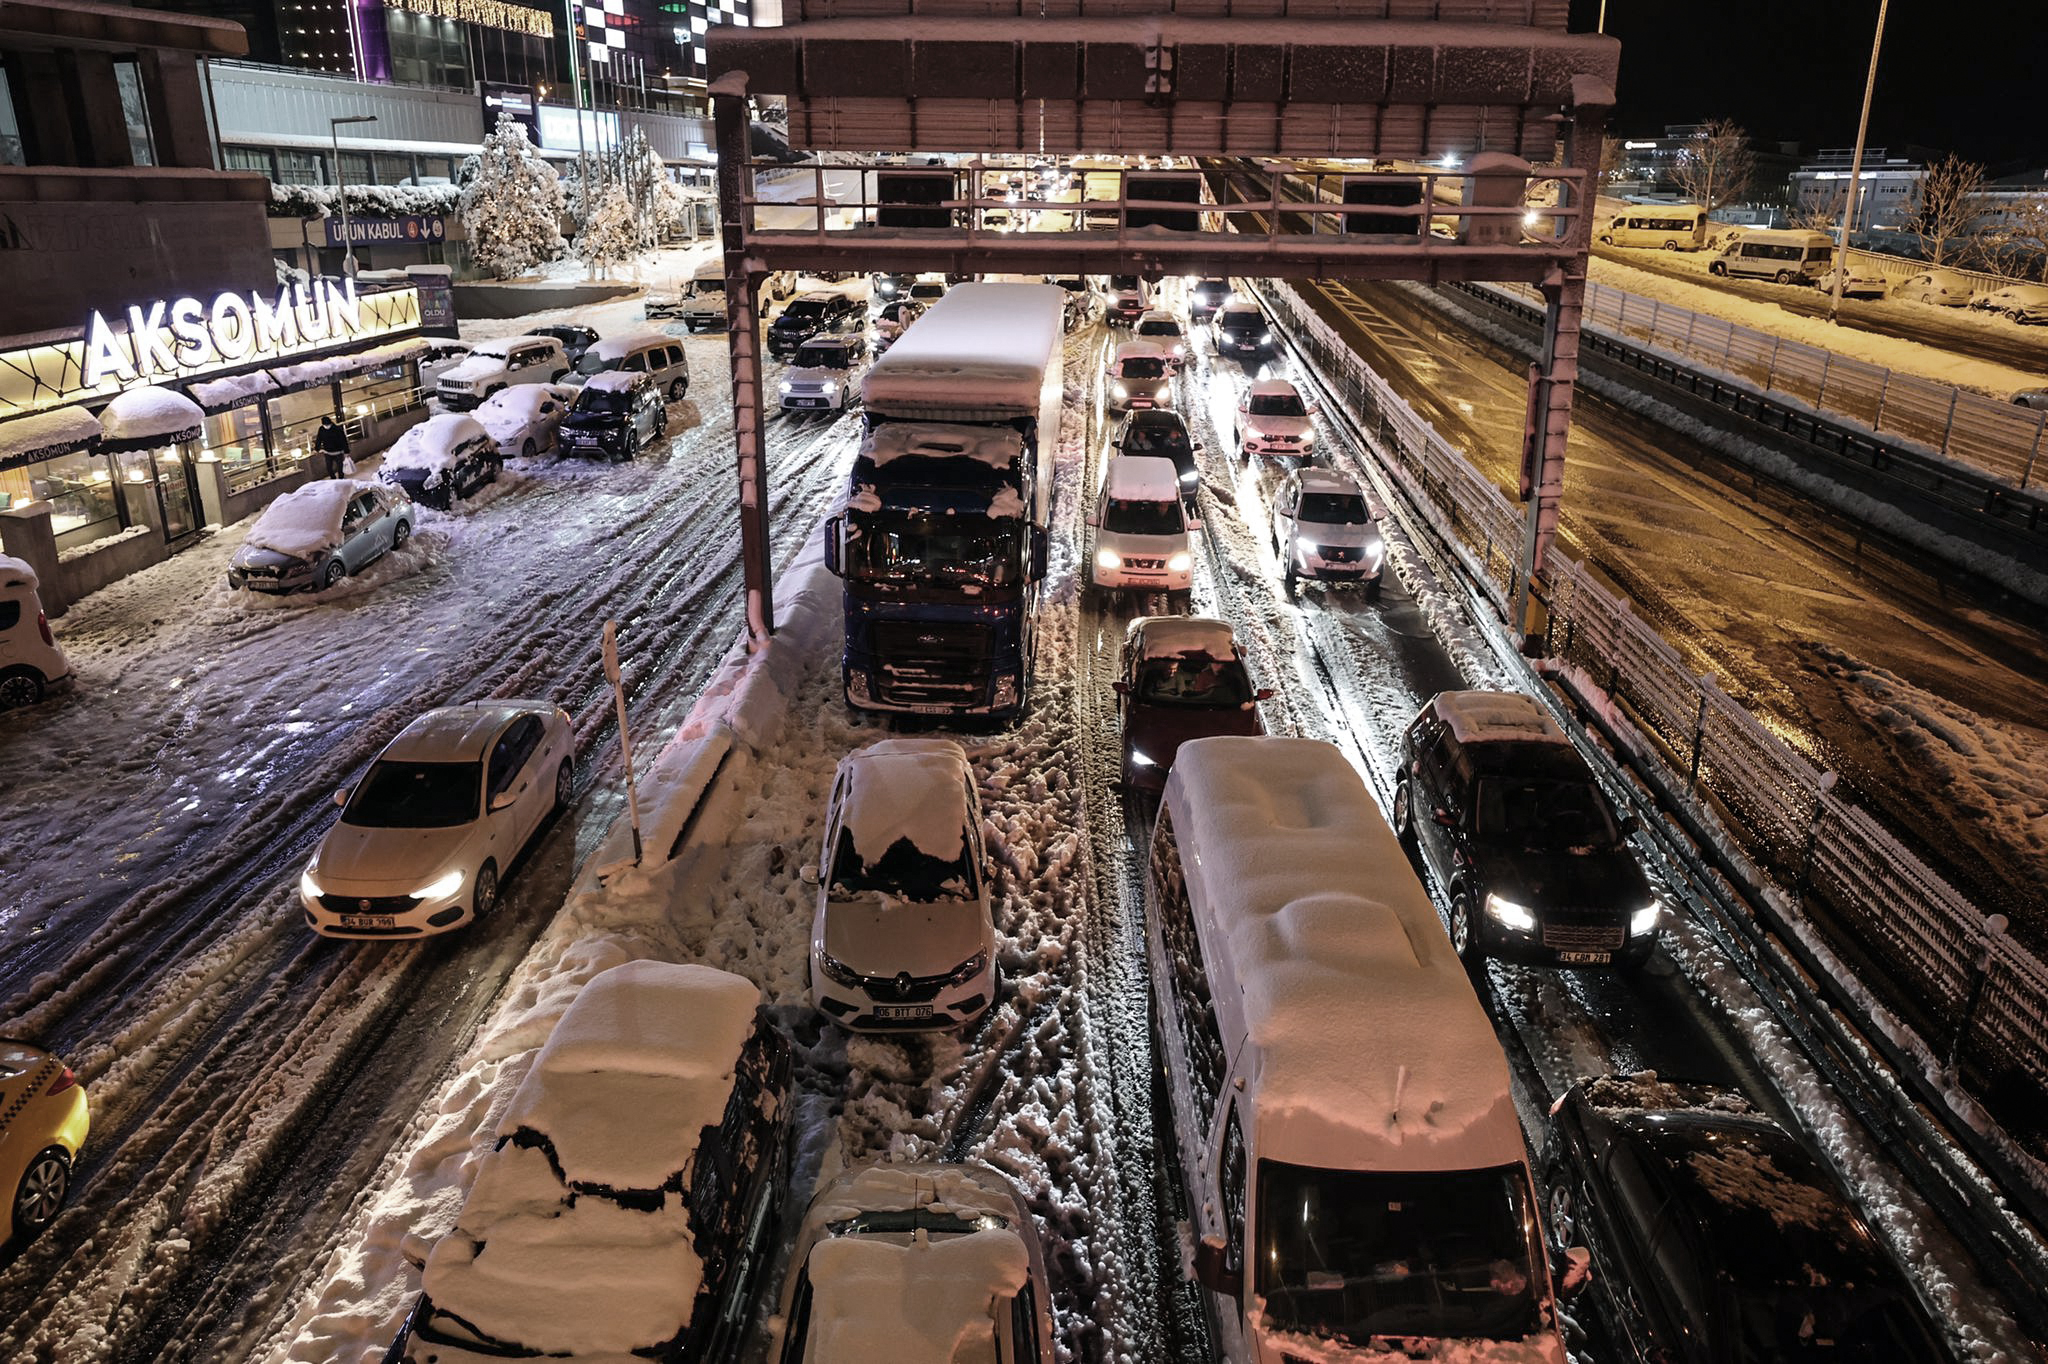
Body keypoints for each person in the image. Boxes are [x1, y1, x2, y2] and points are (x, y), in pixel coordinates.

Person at [316, 415, 350, 479]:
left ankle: (341, 478)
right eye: (325, 425)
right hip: (328, 452)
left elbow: (343, 440)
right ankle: (333, 478)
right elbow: (319, 439)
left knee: (340, 467)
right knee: (329, 467)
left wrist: (346, 451)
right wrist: (317, 448)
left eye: (327, 425)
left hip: (338, 452)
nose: (327, 426)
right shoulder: (321, 429)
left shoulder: (337, 429)